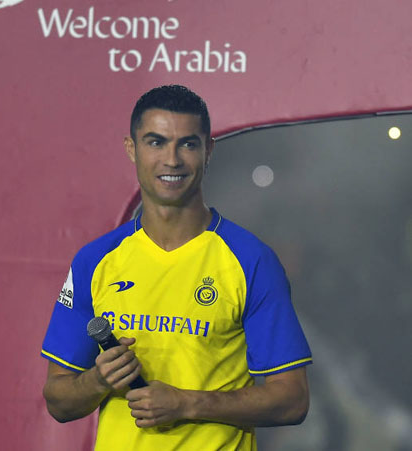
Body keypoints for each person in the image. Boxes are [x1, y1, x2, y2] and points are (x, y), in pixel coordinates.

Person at [41, 85, 312, 450]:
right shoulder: (95, 261)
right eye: (155, 142)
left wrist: (187, 403)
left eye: (187, 144)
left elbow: (292, 400)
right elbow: (58, 400)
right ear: (131, 149)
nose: (172, 159)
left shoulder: (251, 260)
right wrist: (99, 382)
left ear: (208, 150)